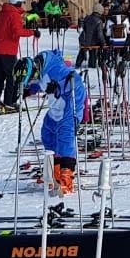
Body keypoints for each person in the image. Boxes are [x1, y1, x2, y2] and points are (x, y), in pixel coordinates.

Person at [28, 48, 84, 196]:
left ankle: (66, 176)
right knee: (48, 134)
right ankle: (54, 172)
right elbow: (41, 83)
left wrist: (59, 86)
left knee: (65, 137)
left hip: (69, 104)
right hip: (56, 107)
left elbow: (74, 79)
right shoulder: (41, 69)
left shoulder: (54, 68)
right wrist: (30, 89)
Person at [0, 0, 42, 114]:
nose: (24, 6)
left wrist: (30, 16)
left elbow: (20, 18)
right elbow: (17, 32)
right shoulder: (14, 15)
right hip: (7, 50)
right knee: (12, 76)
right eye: (23, 3)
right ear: (19, 3)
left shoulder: (2, 13)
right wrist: (32, 32)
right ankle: (9, 102)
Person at [76, 2, 107, 69]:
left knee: (83, 49)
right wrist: (103, 43)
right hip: (93, 42)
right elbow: (100, 35)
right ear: (100, 11)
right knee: (93, 49)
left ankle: (78, 63)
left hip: (83, 40)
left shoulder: (87, 18)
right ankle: (92, 64)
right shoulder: (99, 21)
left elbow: (81, 28)